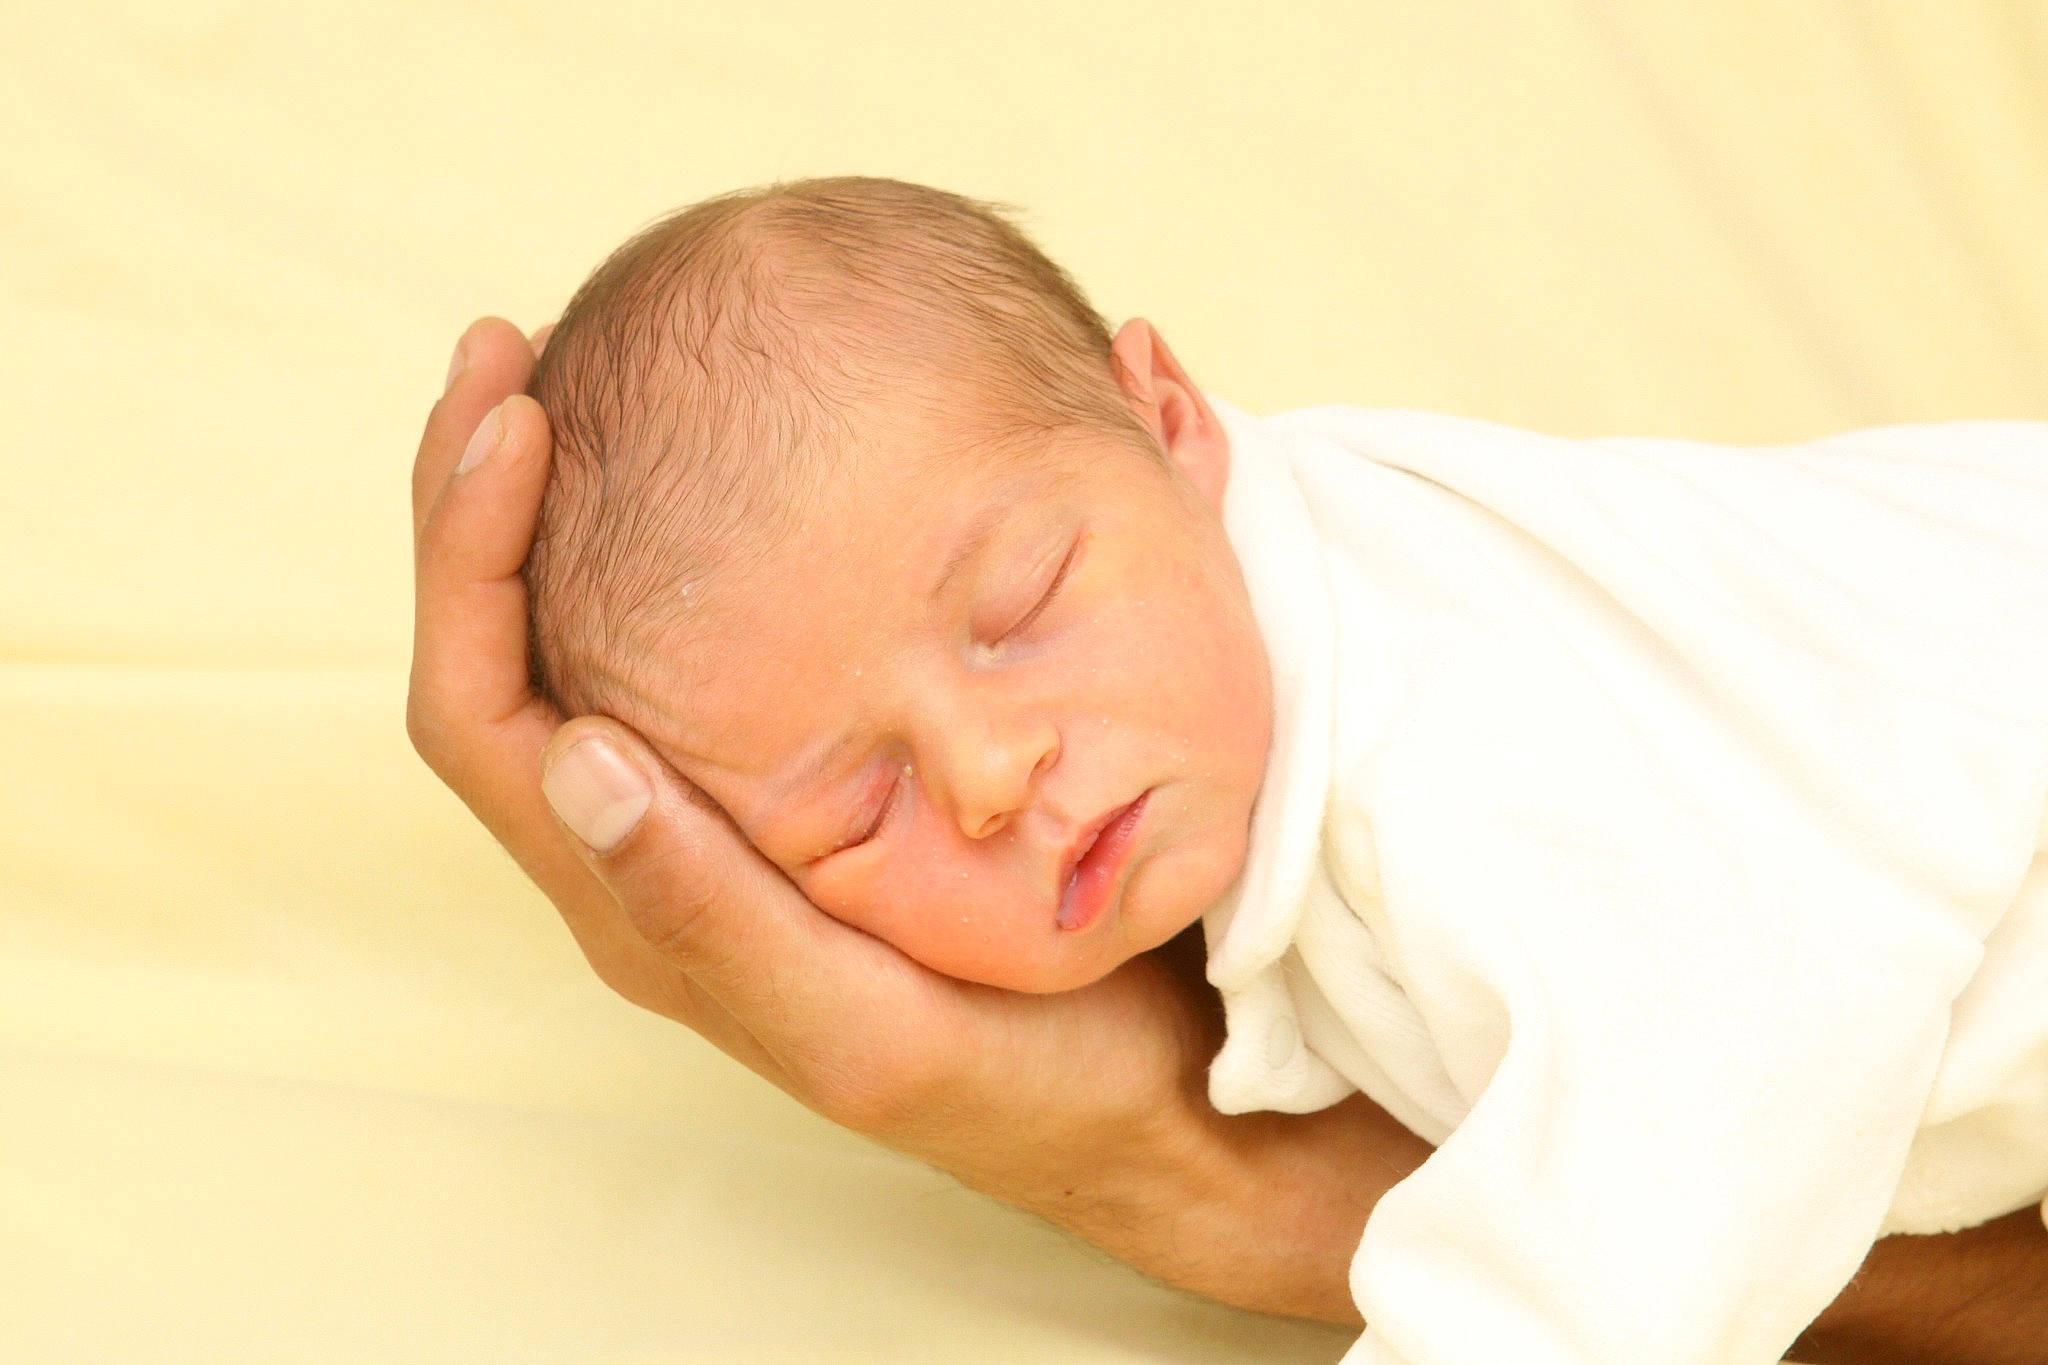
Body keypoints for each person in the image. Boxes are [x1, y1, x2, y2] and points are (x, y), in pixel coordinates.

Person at [410, 235, 2048, 1365]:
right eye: (857, 811)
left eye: (1020, 605)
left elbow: (1722, 1068)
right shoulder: (1253, 715)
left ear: (1169, 420)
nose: (988, 775)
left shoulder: (1442, 716)